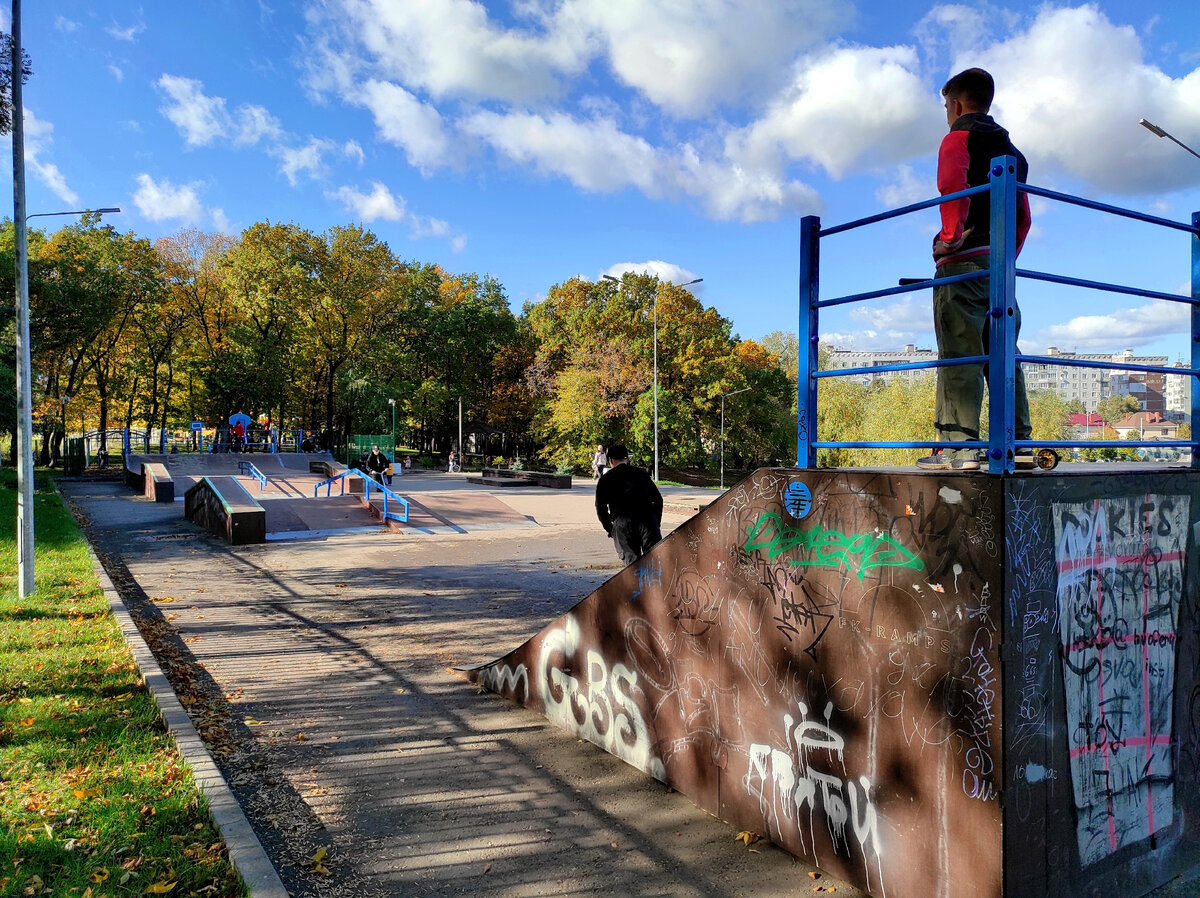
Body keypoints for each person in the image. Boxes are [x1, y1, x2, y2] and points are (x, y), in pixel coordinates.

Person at [917, 67, 1033, 472]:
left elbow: (953, 187)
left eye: (946, 106)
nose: (947, 113)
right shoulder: (1014, 154)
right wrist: (1006, 257)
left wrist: (950, 237)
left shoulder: (957, 138)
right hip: (998, 269)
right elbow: (1022, 216)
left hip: (963, 266)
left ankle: (957, 449)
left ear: (957, 104)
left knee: (959, 353)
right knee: (1003, 354)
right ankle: (1019, 445)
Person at [595, 444, 663, 565]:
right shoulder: (641, 474)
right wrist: (656, 522)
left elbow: (601, 509)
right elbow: (658, 500)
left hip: (622, 523)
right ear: (626, 459)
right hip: (647, 520)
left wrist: (611, 529)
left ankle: (636, 583)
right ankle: (655, 583)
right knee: (654, 562)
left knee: (633, 567)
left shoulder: (605, 479)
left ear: (611, 461)